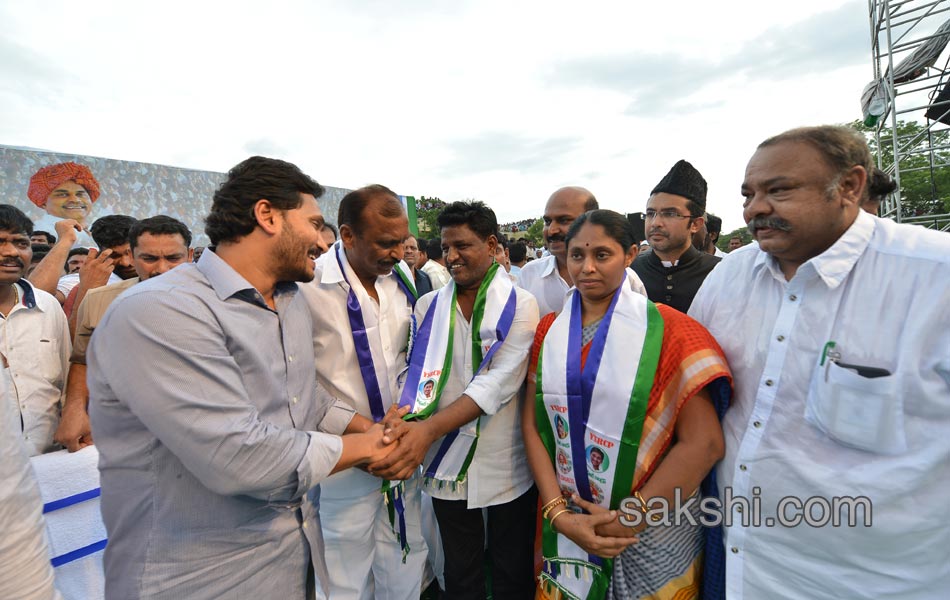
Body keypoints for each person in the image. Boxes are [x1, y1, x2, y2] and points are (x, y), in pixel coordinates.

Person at [87, 156, 401, 599]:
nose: (320, 239)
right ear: (267, 215)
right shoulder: (161, 311)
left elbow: (299, 396)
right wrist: (372, 447)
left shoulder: (288, 300)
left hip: (290, 560)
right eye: (313, 223)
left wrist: (368, 427)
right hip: (195, 578)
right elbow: (236, 455)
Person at [689, 125, 950, 599]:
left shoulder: (935, 277)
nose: (755, 208)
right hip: (741, 566)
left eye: (779, 190)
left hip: (882, 583)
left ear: (850, 186)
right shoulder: (727, 279)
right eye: (748, 194)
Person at [523, 209, 732, 600]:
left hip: (653, 527)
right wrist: (559, 514)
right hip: (571, 517)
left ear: (631, 254)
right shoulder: (548, 332)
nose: (587, 268)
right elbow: (533, 428)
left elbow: (704, 444)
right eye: (576, 256)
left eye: (602, 255)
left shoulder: (670, 331)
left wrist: (630, 519)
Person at [371, 201, 540, 600]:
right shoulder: (429, 307)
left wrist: (426, 430)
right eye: (446, 247)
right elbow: (413, 375)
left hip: (505, 461)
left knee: (510, 570)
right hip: (445, 461)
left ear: (492, 243)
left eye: (462, 246)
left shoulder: (521, 304)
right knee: (460, 571)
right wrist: (404, 417)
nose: (451, 257)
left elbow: (500, 383)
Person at [299, 184, 428, 600]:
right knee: (344, 571)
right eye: (385, 244)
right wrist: (364, 436)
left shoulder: (402, 279)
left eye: (402, 243)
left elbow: (411, 357)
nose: (396, 253)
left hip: (401, 449)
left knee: (405, 554)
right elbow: (300, 383)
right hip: (345, 457)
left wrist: (406, 424)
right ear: (348, 235)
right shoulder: (308, 286)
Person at [55, 215, 194, 452]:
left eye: (173, 258)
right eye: (149, 258)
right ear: (133, 256)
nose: (161, 269)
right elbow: (83, 358)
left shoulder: (220, 300)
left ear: (189, 256)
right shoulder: (99, 299)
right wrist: (74, 408)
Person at [0, 205, 70, 456]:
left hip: (49, 460)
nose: (11, 253)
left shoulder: (47, 305)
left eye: (21, 243)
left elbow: (66, 381)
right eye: (0, 242)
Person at [631, 160, 721, 313]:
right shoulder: (629, 271)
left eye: (670, 214)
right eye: (650, 213)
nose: (655, 223)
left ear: (695, 224)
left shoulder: (720, 272)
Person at [518, 187, 598, 316]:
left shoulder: (623, 278)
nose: (552, 230)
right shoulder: (529, 274)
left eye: (564, 220)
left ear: (593, 222)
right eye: (548, 222)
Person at [27, 161, 99, 247]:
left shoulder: (94, 230)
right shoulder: (42, 233)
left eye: (80, 194)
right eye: (63, 194)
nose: (75, 200)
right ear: (44, 203)